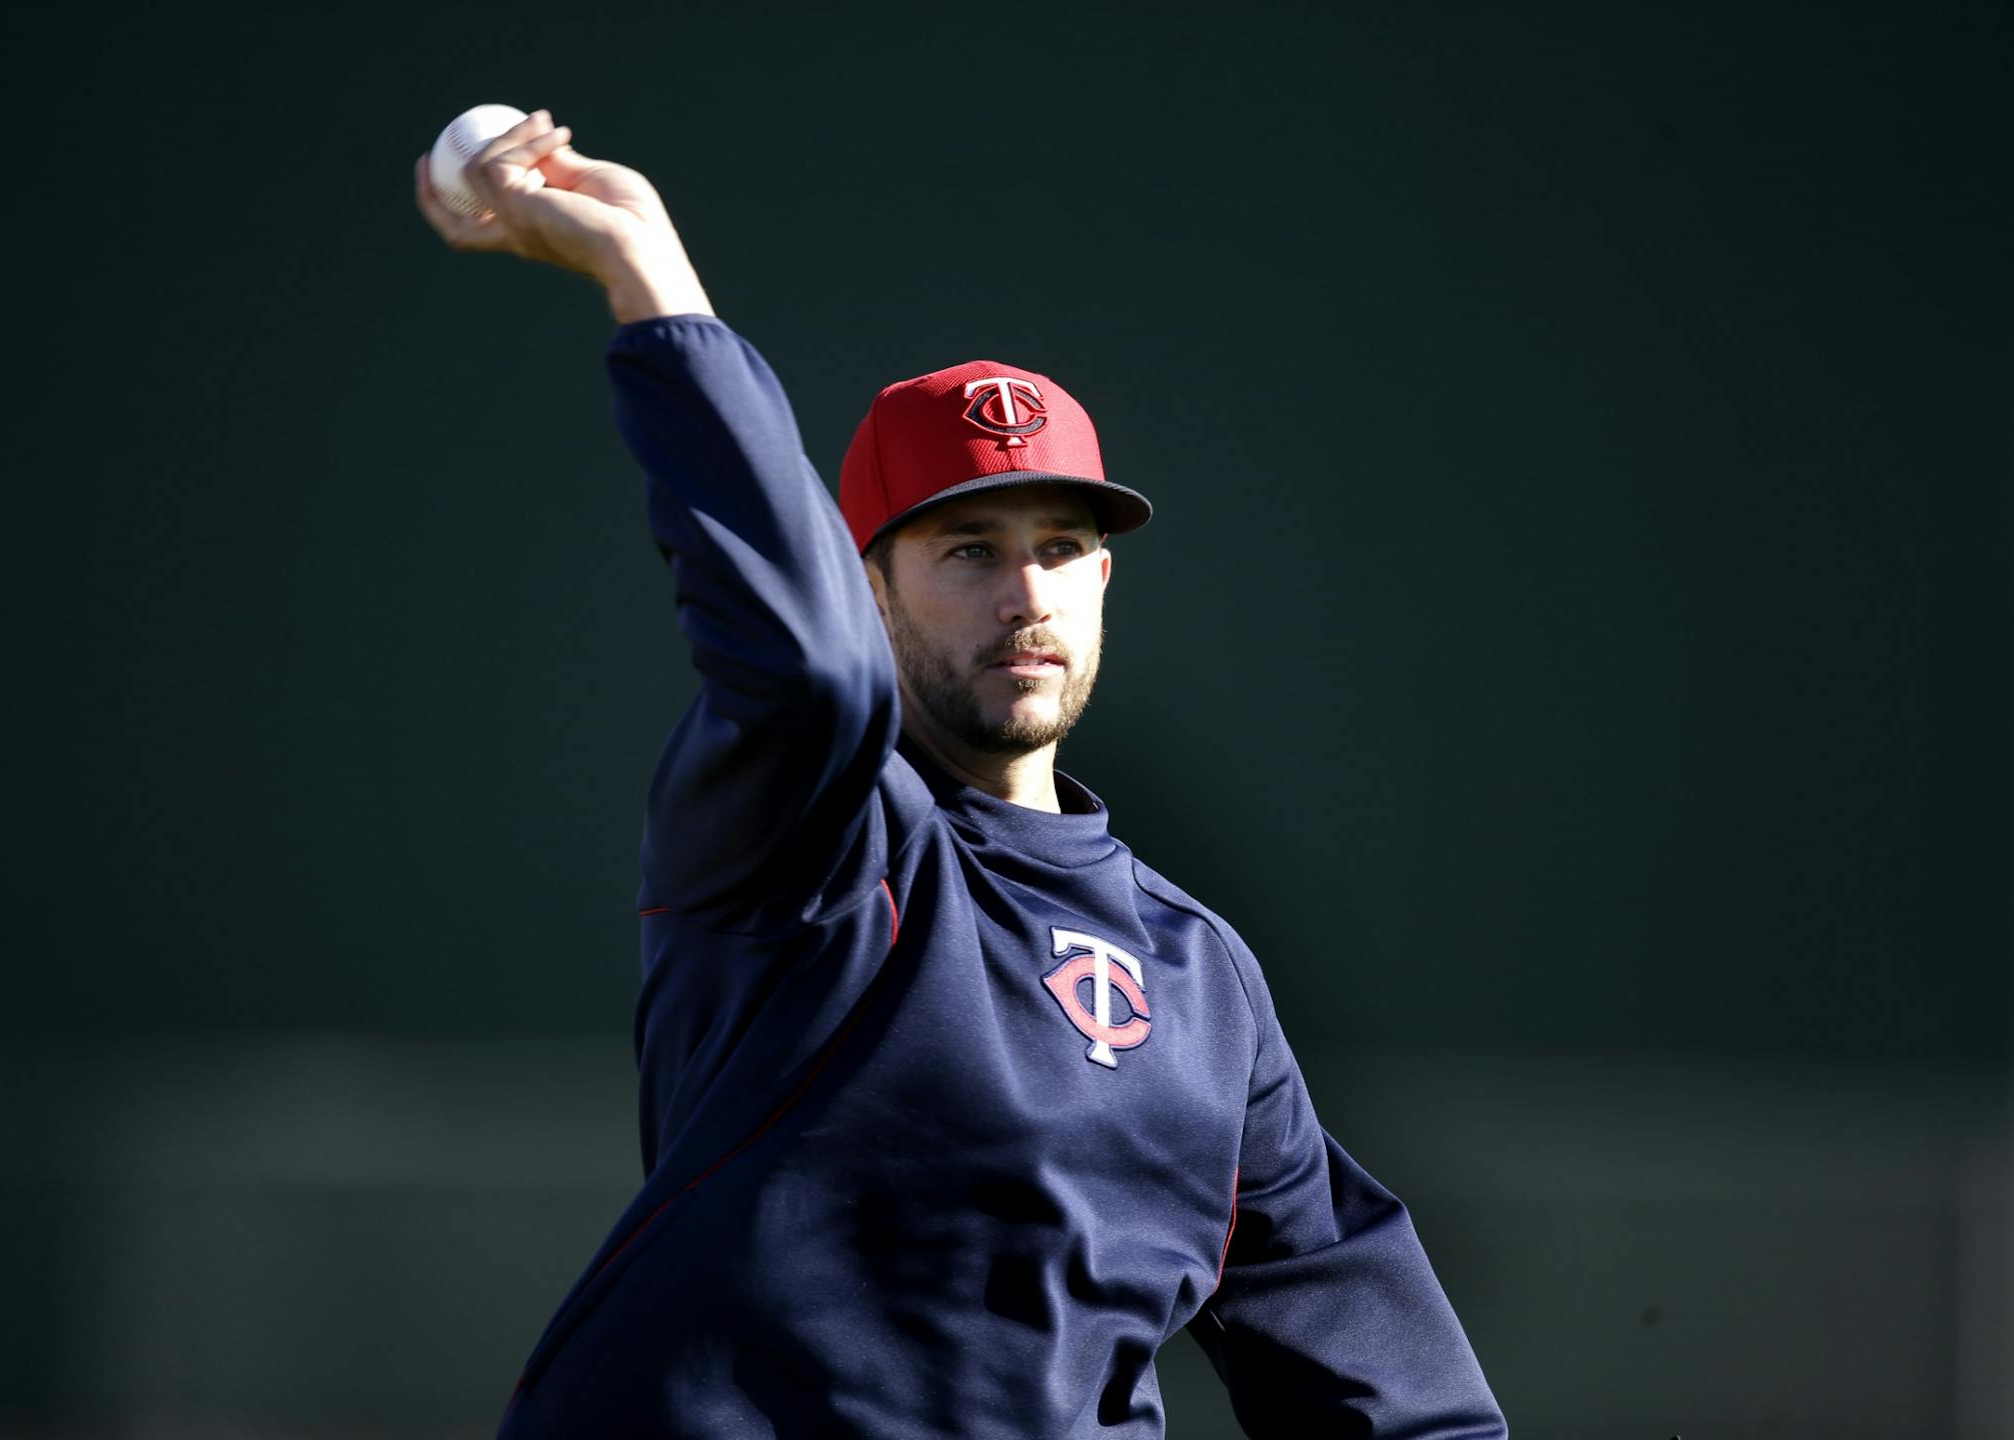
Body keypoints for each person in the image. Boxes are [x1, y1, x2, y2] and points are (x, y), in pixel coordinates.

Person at [416, 110, 1508, 1440]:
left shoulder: (1200, 979)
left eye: (1058, 547)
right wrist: (648, 271)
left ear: (1102, 580)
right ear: (868, 589)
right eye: (969, 551)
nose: (1025, 592)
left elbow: (1385, 1380)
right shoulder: (814, 838)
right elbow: (808, 673)